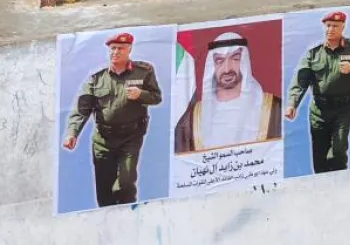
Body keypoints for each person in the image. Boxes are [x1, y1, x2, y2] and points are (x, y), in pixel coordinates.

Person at [62, 32, 162, 208]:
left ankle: (129, 214)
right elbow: (82, 108)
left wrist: (141, 95)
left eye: (120, 48)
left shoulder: (144, 71)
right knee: (104, 189)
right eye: (112, 48)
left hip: (131, 137)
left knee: (126, 181)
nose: (115, 52)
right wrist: (72, 133)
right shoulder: (96, 78)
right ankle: (108, 219)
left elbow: (156, 97)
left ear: (129, 49)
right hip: (103, 140)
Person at [285, 12, 350, 174]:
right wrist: (292, 104)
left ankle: (341, 181)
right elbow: (300, 80)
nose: (331, 29)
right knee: (319, 155)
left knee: (338, 148)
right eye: (328, 25)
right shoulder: (313, 53)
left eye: (335, 26)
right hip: (319, 111)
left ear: (343, 27)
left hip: (343, 108)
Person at [172, 31, 283, 153]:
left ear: (244, 62)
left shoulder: (275, 110)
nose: (227, 69)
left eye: (235, 59)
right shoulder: (190, 121)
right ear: (212, 66)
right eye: (219, 61)